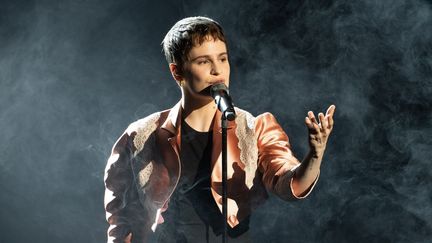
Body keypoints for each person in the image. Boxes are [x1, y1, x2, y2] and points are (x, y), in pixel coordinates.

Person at [104, 16, 335, 243]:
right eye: (204, 61)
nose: (218, 70)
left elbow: (288, 184)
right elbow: (120, 212)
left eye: (223, 59)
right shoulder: (143, 134)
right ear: (177, 72)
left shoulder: (254, 127)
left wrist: (314, 156)